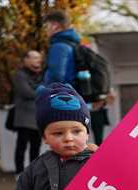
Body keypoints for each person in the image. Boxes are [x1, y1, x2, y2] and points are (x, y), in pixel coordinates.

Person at [43, 10, 109, 145]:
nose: (46, 30)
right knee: (78, 141)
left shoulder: (59, 46)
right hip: (77, 100)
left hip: (64, 101)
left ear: (55, 26)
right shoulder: (74, 45)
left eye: (47, 26)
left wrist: (44, 94)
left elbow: (56, 76)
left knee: (66, 144)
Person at [12, 50, 43, 175]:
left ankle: (33, 173)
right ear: (26, 60)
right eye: (35, 58)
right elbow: (27, 93)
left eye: (39, 58)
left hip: (38, 118)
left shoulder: (42, 75)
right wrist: (43, 91)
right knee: (22, 146)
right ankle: (19, 172)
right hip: (24, 118)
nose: (38, 61)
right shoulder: (19, 75)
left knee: (36, 147)